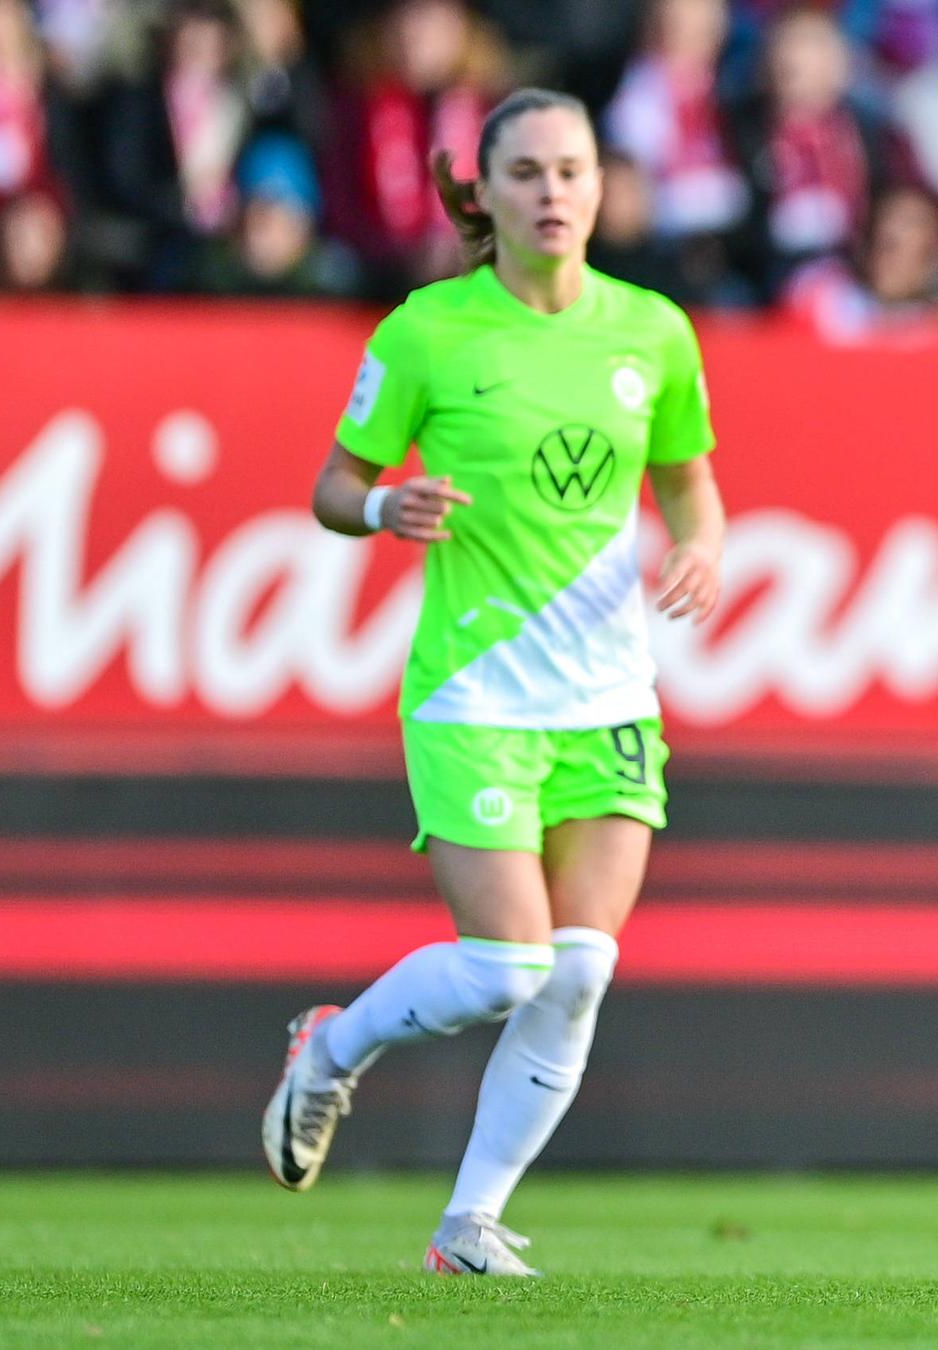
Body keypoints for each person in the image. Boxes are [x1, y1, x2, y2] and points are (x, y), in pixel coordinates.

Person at [265, 87, 726, 1277]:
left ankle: (468, 1224)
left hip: (609, 696)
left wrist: (701, 546)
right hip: (473, 692)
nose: (553, 192)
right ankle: (330, 1050)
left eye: (572, 170)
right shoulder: (428, 331)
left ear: (602, 186)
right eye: (527, 172)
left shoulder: (653, 331)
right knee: (508, 965)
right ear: (488, 194)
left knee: (580, 971)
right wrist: (382, 506)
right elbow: (332, 486)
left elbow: (688, 479)